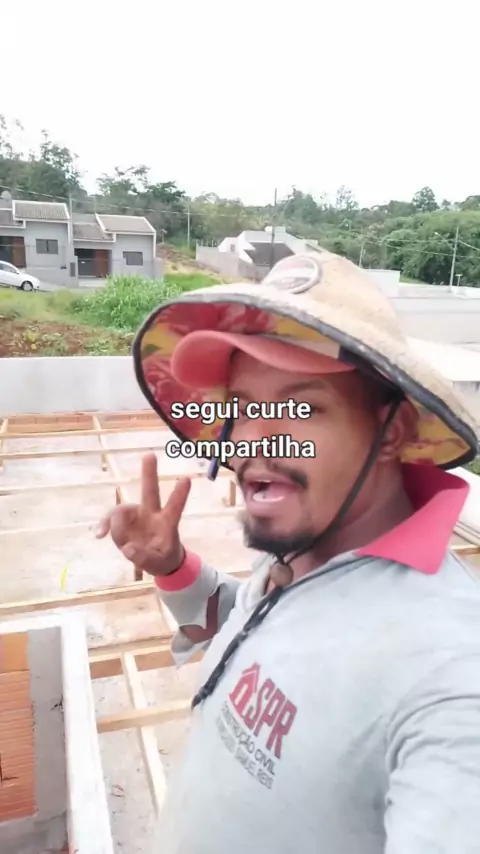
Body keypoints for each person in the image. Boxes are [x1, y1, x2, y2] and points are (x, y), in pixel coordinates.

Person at [97, 251, 480, 854]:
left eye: (301, 408)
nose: (253, 438)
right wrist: (174, 568)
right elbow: (263, 629)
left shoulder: (450, 674)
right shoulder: (305, 550)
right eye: (243, 407)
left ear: (394, 431)